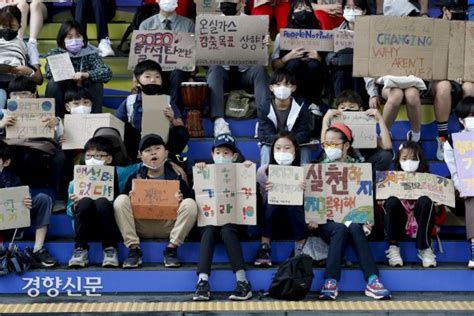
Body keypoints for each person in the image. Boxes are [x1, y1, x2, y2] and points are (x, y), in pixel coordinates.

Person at [312, 122, 391, 300]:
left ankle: (372, 280)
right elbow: (313, 203)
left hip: (353, 219)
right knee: (339, 228)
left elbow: (364, 198)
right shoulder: (317, 169)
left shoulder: (359, 169)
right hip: (328, 222)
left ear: (346, 145)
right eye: (326, 144)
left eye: (334, 144)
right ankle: (330, 281)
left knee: (355, 227)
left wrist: (368, 218)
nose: (329, 148)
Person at [114, 133, 198, 268]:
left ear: (166, 152)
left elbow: (190, 205)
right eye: (147, 150)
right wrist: (131, 199)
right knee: (120, 200)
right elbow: (122, 206)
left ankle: (171, 249)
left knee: (190, 204)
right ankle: (134, 249)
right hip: (140, 225)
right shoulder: (134, 177)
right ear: (141, 156)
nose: (153, 152)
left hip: (168, 226)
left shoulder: (177, 177)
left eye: (157, 148)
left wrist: (180, 201)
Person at [193, 133, 253, 301]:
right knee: (210, 229)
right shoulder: (205, 170)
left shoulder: (242, 169)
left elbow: (252, 199)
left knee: (227, 229)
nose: (221, 156)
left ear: (234, 156)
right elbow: (197, 197)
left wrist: (248, 174)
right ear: (212, 154)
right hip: (210, 221)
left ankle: (243, 282)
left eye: (226, 153)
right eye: (218, 152)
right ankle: (202, 281)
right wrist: (198, 176)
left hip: (234, 224)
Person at [207, 1, 271, 137]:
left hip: (245, 74)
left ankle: (263, 121)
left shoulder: (255, 23)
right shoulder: (211, 24)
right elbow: (204, 59)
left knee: (260, 69)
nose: (227, 2)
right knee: (215, 69)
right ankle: (219, 121)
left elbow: (262, 59)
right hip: (224, 74)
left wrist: (264, 46)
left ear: (242, 2)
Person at [1, 76, 66, 205]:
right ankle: (8, 195)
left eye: (24, 94)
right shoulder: (3, 113)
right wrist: (1, 125)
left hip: (41, 149)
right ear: (9, 96)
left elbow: (61, 138)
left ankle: (58, 197)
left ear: (34, 94)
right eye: (14, 94)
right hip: (13, 149)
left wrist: (56, 124)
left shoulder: (46, 111)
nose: (19, 98)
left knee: (60, 157)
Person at [115, 59, 189, 161]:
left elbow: (180, 125)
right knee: (125, 128)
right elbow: (116, 123)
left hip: (162, 141)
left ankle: (170, 158)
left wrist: (172, 119)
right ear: (138, 80)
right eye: (147, 76)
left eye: (157, 77)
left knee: (181, 131)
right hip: (138, 142)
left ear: (161, 81)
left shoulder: (167, 100)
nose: (153, 80)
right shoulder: (130, 101)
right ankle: (133, 160)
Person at [381, 141, 439, 268]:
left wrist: (437, 204)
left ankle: (425, 247)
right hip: (399, 224)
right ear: (398, 160)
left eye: (413, 158)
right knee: (391, 201)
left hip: (421, 225)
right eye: (405, 158)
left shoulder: (429, 180)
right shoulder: (390, 180)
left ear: (420, 160)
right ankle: (393, 247)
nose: (409, 162)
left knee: (425, 200)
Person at [0, 140, 57, 268]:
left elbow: (24, 198)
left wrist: (26, 201)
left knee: (43, 198)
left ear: (6, 162)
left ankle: (38, 249)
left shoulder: (14, 180)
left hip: (12, 225)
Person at [254, 131, 308, 267]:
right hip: (272, 219)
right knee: (271, 203)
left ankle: (300, 248)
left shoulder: (304, 172)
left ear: (295, 149)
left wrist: (303, 192)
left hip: (296, 219)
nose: (282, 151)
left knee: (293, 205)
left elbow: (310, 204)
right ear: (272, 150)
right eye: (278, 148)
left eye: (287, 147)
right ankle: (264, 247)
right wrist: (268, 191)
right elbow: (259, 203)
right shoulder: (263, 171)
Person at [428, 0, 473, 161]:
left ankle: (467, 135)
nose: (458, 13)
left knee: (469, 88)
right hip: (437, 79)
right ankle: (442, 138)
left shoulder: (469, 30)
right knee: (444, 87)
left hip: (461, 78)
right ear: (445, 10)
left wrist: (465, 73)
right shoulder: (432, 30)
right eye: (454, 10)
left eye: (461, 10)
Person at [67, 136, 122, 268]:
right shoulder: (75, 181)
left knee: (102, 201)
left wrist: (171, 163)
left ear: (109, 159)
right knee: (85, 201)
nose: (92, 159)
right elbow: (69, 211)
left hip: (109, 224)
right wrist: (75, 206)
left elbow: (140, 166)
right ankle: (80, 250)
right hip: (85, 226)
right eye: (88, 156)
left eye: (98, 156)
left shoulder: (119, 173)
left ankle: (110, 249)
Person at [45, 20, 112, 117]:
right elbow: (49, 73)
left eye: (78, 36)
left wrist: (86, 75)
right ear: (63, 39)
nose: (74, 40)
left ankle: (95, 118)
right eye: (69, 37)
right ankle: (54, 119)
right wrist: (70, 76)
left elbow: (106, 72)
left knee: (97, 84)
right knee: (53, 84)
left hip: (84, 91)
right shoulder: (56, 52)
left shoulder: (90, 53)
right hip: (65, 90)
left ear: (83, 39)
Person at [139, 0, 194, 113]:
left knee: (178, 73)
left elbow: (193, 53)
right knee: (150, 74)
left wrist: (192, 74)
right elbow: (140, 54)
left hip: (179, 69)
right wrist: (135, 78)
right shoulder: (146, 25)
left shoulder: (188, 24)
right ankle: (153, 115)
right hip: (155, 68)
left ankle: (175, 115)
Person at [321, 90, 392, 177]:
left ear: (360, 109)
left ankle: (372, 186)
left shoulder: (367, 124)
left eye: (352, 107)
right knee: (326, 154)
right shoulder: (336, 128)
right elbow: (324, 145)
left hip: (364, 163)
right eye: (342, 108)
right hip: (344, 162)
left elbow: (387, 146)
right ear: (337, 110)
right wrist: (325, 119)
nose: (347, 110)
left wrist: (380, 119)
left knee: (385, 155)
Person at [271, 0, 327, 106]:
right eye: (299, 9)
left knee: (313, 65)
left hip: (313, 75)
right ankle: (293, 101)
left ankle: (314, 104)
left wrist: (318, 57)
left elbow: (326, 65)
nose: (304, 12)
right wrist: (288, 57)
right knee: (294, 63)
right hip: (292, 76)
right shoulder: (282, 35)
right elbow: (274, 65)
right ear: (292, 15)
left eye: (307, 9)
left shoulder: (321, 35)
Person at [257, 68, 312, 165]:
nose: (282, 88)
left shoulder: (301, 106)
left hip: (294, 145)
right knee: (265, 149)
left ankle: (305, 178)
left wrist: (289, 144)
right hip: (274, 145)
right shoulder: (264, 107)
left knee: (305, 150)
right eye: (278, 84)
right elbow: (265, 135)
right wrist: (280, 144)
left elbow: (304, 133)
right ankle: (265, 178)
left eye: (286, 84)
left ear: (293, 88)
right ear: (271, 88)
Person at [444, 96, 474, 268]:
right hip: (462, 195)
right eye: (469, 116)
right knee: (472, 193)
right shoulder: (451, 141)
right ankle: (473, 246)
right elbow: (454, 173)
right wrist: (464, 187)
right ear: (461, 119)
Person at [326, 0, 369, 104]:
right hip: (342, 71)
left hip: (363, 71)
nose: (352, 11)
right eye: (348, 7)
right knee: (340, 73)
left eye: (356, 8)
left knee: (357, 73)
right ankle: (341, 106)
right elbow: (329, 59)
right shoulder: (335, 32)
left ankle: (359, 107)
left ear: (364, 11)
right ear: (343, 10)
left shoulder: (370, 32)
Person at [0, 5, 43, 108]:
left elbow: (39, 80)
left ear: (20, 25)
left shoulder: (28, 46)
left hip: (18, 88)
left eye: (13, 26)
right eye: (4, 26)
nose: (8, 30)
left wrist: (29, 72)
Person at [365, 75, 425, 144]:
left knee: (412, 95)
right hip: (386, 84)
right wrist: (373, 94)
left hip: (413, 82)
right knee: (396, 95)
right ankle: (384, 137)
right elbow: (369, 70)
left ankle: (415, 137)